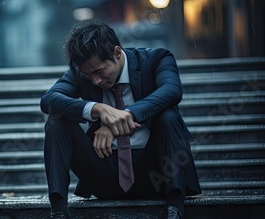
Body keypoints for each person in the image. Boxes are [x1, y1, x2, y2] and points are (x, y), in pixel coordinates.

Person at [40, 20, 201, 219]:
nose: (96, 81)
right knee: (56, 122)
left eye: (99, 71)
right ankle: (58, 212)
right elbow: (48, 100)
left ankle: (175, 208)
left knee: (168, 115)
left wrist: (124, 116)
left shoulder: (156, 59)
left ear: (117, 53)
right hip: (104, 173)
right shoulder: (83, 73)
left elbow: (172, 91)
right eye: (88, 75)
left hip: (157, 175)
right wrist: (97, 109)